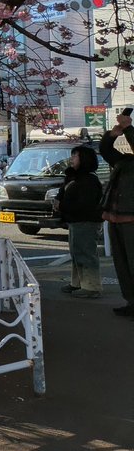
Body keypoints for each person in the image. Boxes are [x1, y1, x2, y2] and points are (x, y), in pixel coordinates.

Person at [56, 146, 104, 298]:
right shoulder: (76, 177)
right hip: (76, 221)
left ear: (84, 159)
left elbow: (84, 204)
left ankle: (91, 286)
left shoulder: (89, 180)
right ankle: (78, 283)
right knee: (77, 252)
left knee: (85, 253)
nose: (72, 159)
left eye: (75, 156)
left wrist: (61, 205)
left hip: (86, 221)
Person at [98, 117, 134, 318]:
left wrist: (129, 128)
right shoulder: (125, 162)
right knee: (122, 265)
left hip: (131, 220)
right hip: (116, 219)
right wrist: (113, 134)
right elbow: (105, 150)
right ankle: (131, 301)